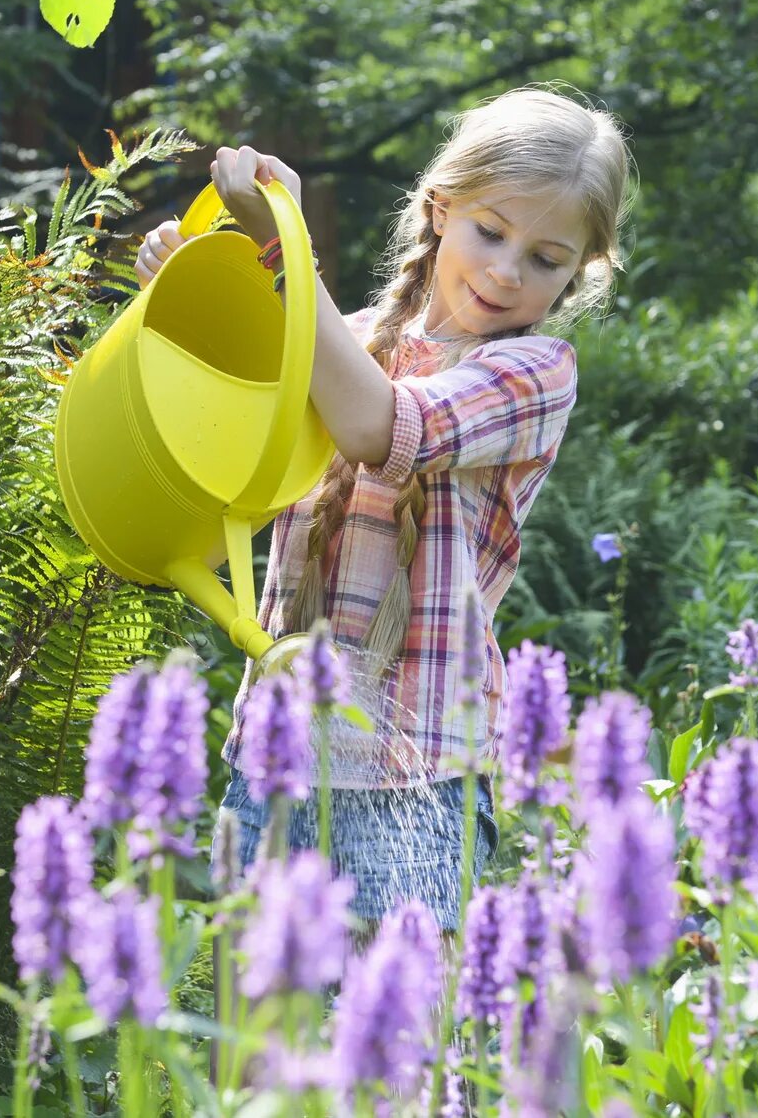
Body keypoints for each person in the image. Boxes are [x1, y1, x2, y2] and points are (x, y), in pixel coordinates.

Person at [133, 87, 632, 931]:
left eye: (545, 259)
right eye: (489, 231)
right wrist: (183, 299)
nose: (507, 272)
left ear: (579, 271)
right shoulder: (343, 334)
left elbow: (379, 423)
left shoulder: (536, 373)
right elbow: (223, 468)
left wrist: (282, 254)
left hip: (418, 782)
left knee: (392, 1055)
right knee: (255, 1051)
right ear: (440, 210)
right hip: (277, 762)